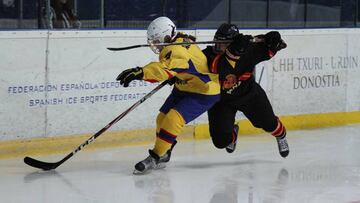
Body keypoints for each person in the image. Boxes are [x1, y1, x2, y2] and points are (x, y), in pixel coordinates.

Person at [116, 16, 220, 174]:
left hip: (203, 91)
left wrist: (141, 72)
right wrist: (177, 74)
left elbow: (164, 68)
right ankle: (165, 152)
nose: (155, 45)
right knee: (162, 118)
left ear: (166, 36)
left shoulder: (176, 50)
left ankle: (156, 156)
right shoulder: (177, 42)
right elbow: (180, 66)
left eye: (157, 41)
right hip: (184, 86)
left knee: (173, 119)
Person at [202, 23, 289, 157]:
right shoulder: (207, 56)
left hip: (248, 94)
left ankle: (281, 136)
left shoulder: (248, 50)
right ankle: (233, 133)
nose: (218, 47)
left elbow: (278, 46)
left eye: (223, 44)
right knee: (220, 141)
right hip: (221, 101)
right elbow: (218, 68)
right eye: (217, 42)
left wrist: (272, 40)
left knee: (269, 123)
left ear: (233, 43)